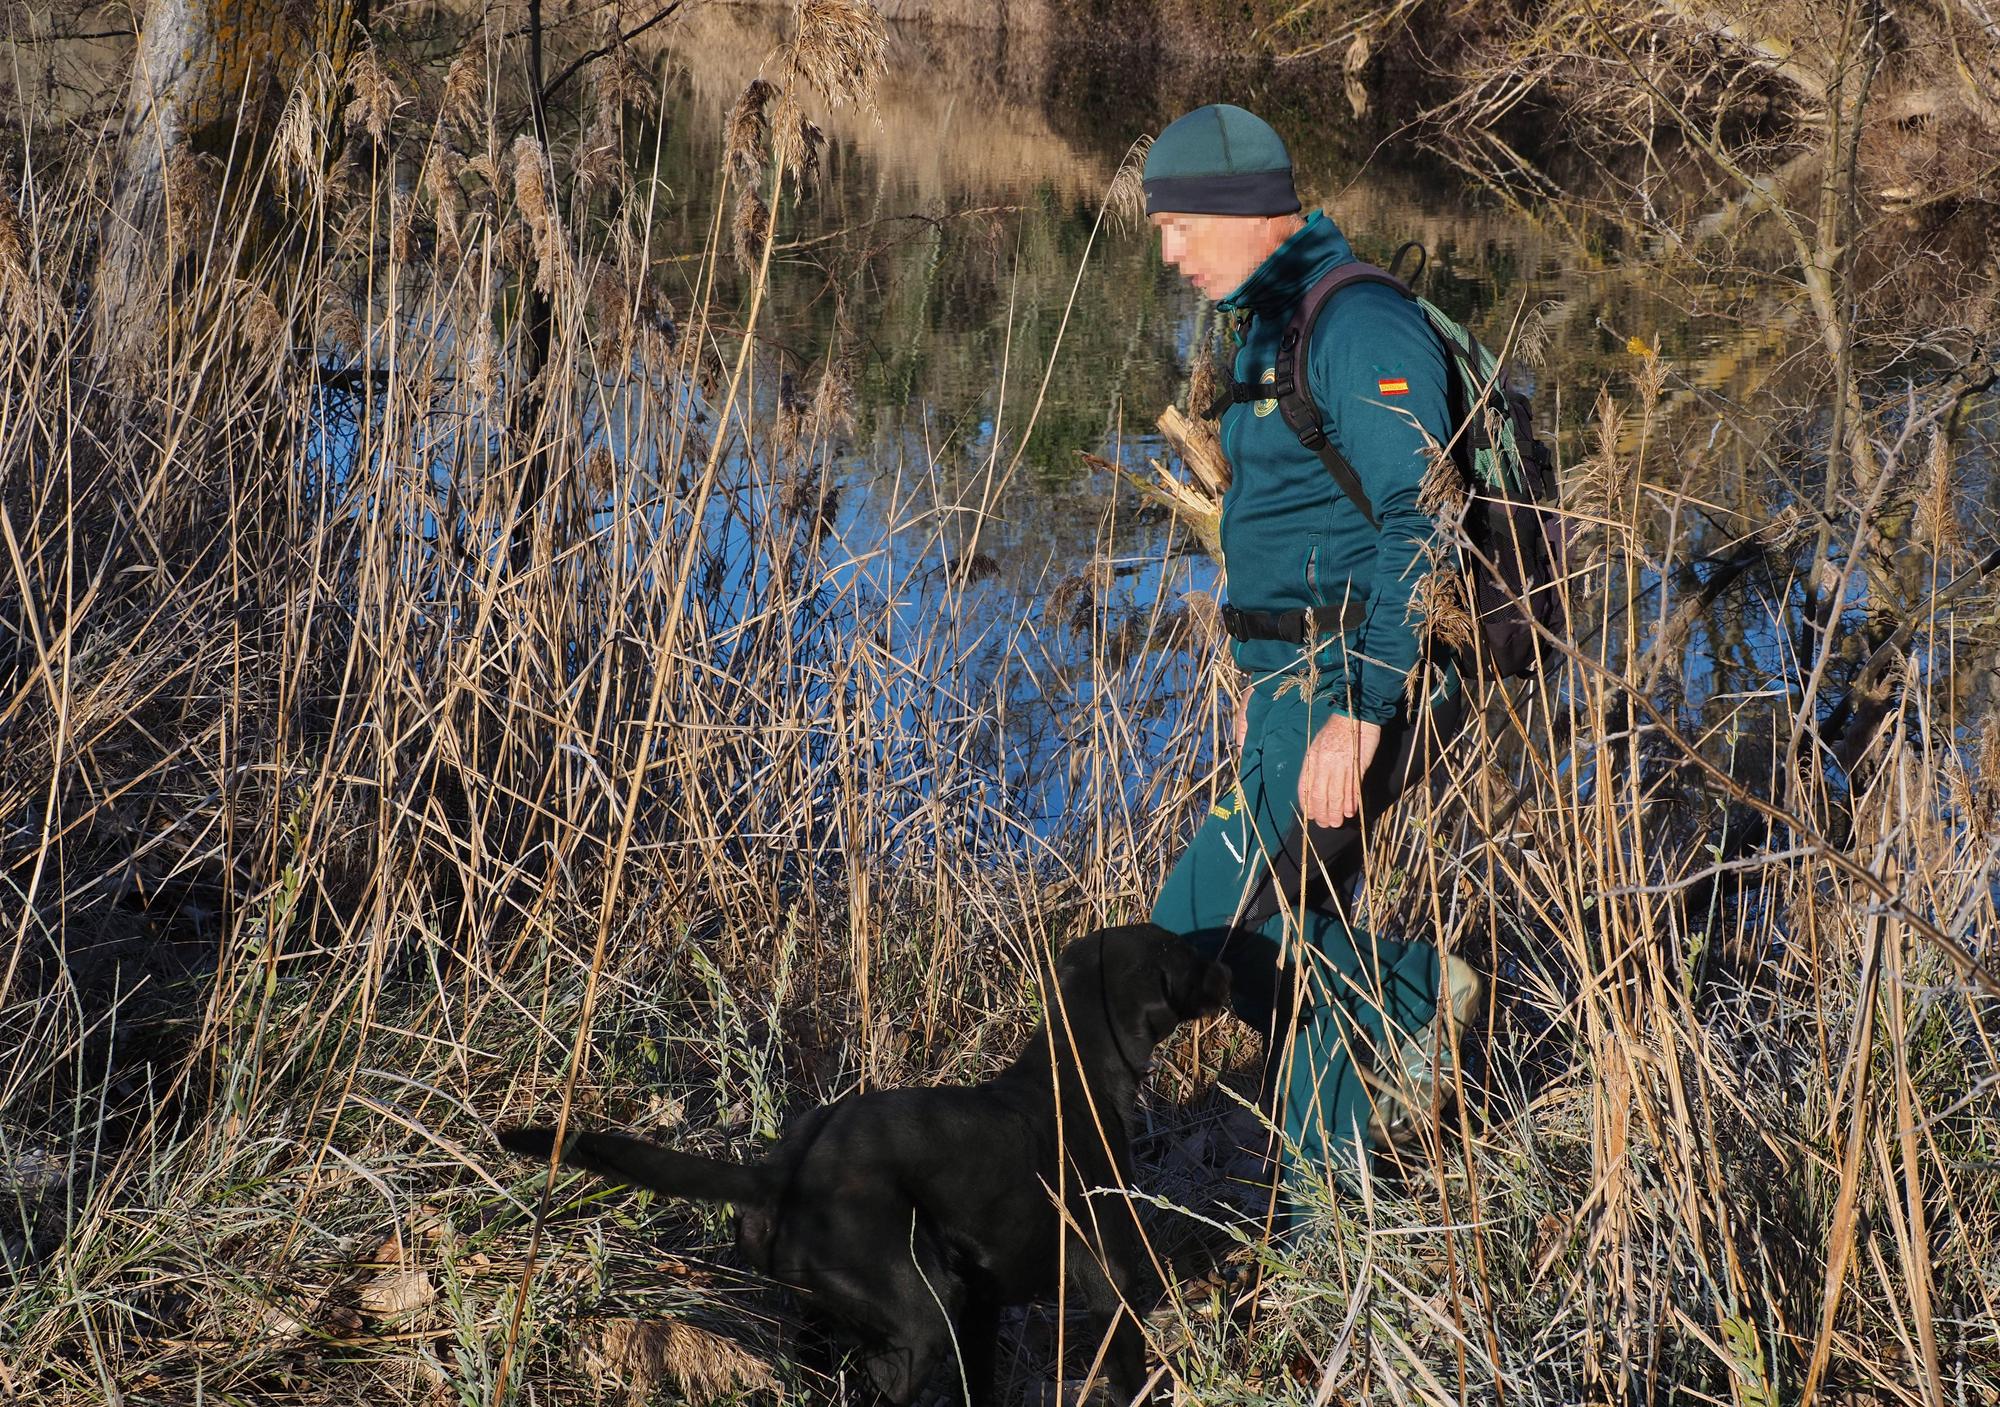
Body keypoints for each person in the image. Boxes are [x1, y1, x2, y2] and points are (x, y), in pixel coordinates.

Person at [1142, 104, 1484, 1233]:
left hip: (1354, 677)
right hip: (1297, 682)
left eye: (1180, 224)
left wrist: (1360, 710)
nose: (1169, 251)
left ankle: (1318, 1222)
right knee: (1212, 923)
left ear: (1245, 215)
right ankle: (1397, 1023)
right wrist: (1263, 696)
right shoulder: (1272, 321)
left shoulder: (1358, 325)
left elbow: (1419, 516)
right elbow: (1293, 526)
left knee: (1250, 932)